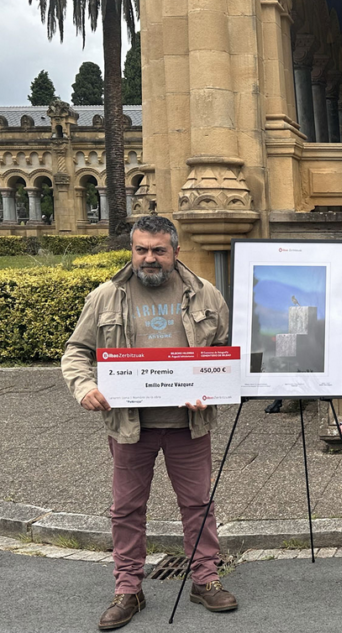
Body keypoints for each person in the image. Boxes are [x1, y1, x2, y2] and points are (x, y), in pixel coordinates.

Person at [61, 214, 238, 630]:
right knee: (126, 508)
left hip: (188, 424)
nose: (149, 258)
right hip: (129, 424)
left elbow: (225, 352)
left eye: (159, 250)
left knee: (197, 504)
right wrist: (85, 387)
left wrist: (211, 388)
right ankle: (128, 589)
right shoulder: (106, 296)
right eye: (141, 249)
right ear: (133, 251)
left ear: (175, 251)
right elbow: (75, 352)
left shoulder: (206, 295)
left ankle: (205, 580)